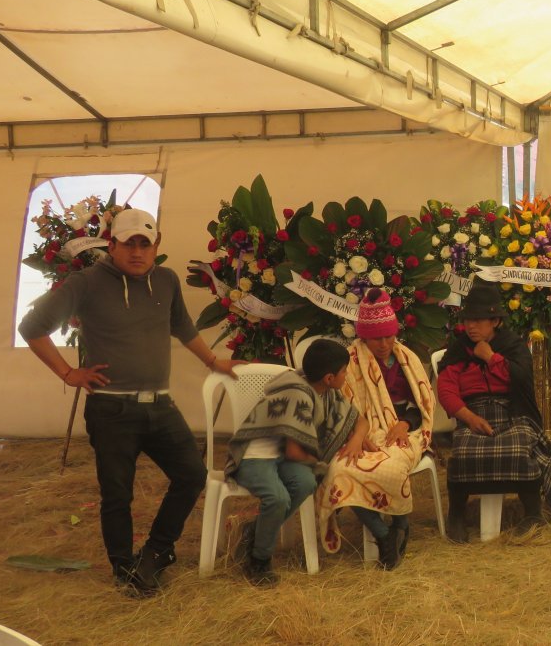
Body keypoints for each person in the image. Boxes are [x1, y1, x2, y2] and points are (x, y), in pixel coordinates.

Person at [18, 208, 238, 596]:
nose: (137, 252)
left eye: (144, 244)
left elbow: (181, 325)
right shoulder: (84, 283)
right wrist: (68, 373)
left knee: (191, 475)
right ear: (112, 244)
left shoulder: (166, 280)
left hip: (160, 407)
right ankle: (124, 569)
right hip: (111, 410)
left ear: (156, 246)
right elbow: (32, 328)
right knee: (117, 494)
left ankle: (156, 551)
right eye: (128, 243)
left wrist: (213, 361)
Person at [226, 339, 364, 586]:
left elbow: (358, 419)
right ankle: (259, 560)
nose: (347, 375)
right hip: (254, 456)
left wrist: (357, 439)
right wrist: (321, 462)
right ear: (329, 378)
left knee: (305, 483)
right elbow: (294, 452)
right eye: (345, 371)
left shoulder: (323, 391)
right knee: (278, 498)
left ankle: (254, 531)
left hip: (279, 456)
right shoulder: (297, 395)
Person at [316, 289, 436, 570]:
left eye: (388, 336)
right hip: (357, 433)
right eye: (376, 338)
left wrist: (404, 424)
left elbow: (422, 403)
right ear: (363, 337)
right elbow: (338, 406)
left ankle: (400, 524)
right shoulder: (348, 361)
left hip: (405, 430)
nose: (383, 344)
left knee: (393, 467)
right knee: (341, 470)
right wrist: (355, 437)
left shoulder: (407, 359)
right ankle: (384, 535)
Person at [436, 279, 551, 543]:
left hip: (512, 412)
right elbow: (446, 390)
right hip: (472, 412)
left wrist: (490, 357)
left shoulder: (512, 345)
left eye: (479, 320)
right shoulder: (459, 348)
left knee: (519, 446)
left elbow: (521, 380)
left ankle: (532, 513)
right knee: (463, 450)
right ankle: (456, 514)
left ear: (494, 321)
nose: (471, 326)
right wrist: (469, 418)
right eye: (468, 319)